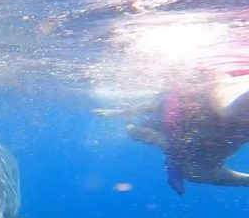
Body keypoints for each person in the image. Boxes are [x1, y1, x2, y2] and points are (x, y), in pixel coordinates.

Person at [93, 69, 249, 195]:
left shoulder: (191, 164)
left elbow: (148, 113)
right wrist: (120, 114)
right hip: (218, 127)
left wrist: (121, 115)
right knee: (227, 105)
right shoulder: (193, 164)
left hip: (216, 123)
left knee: (226, 105)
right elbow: (149, 110)